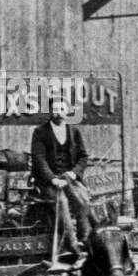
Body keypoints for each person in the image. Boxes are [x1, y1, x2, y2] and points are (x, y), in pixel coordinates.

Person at [31, 96, 91, 259]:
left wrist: (73, 173)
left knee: (82, 200)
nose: (58, 113)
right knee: (61, 203)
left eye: (62, 109)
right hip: (48, 180)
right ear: (50, 111)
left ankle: (85, 239)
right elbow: (39, 159)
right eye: (55, 109)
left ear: (68, 111)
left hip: (69, 176)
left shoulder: (74, 131)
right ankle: (72, 244)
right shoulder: (40, 132)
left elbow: (83, 157)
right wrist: (52, 179)